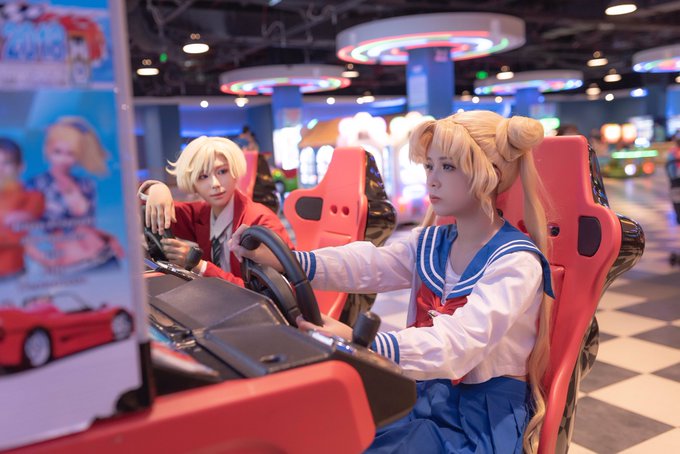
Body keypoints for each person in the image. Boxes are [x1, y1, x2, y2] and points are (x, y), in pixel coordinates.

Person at [230, 110, 554, 453]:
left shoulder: (516, 261)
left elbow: (461, 343)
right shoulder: (433, 242)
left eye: (447, 167)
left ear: (492, 174)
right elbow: (370, 264)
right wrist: (287, 260)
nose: (432, 180)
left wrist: (364, 343)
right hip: (427, 391)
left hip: (482, 417)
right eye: (429, 166)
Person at [139, 135, 293, 286]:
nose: (215, 184)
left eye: (222, 171)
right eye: (203, 176)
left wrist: (200, 266)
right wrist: (155, 188)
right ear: (193, 183)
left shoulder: (259, 219)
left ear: (234, 171)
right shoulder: (201, 213)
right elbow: (143, 209)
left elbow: (272, 292)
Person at [25, 117, 122, 273]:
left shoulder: (86, 184)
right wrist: (44, 260)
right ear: (47, 149)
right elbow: (16, 232)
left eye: (70, 153)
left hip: (106, 257)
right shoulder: (35, 185)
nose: (63, 159)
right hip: (71, 268)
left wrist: (109, 238)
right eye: (57, 151)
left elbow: (86, 227)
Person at [0, 138, 44, 278]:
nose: (0, 169)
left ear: (20, 167)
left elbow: (16, 236)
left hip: (12, 274)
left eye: (7, 163)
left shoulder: (33, 197)